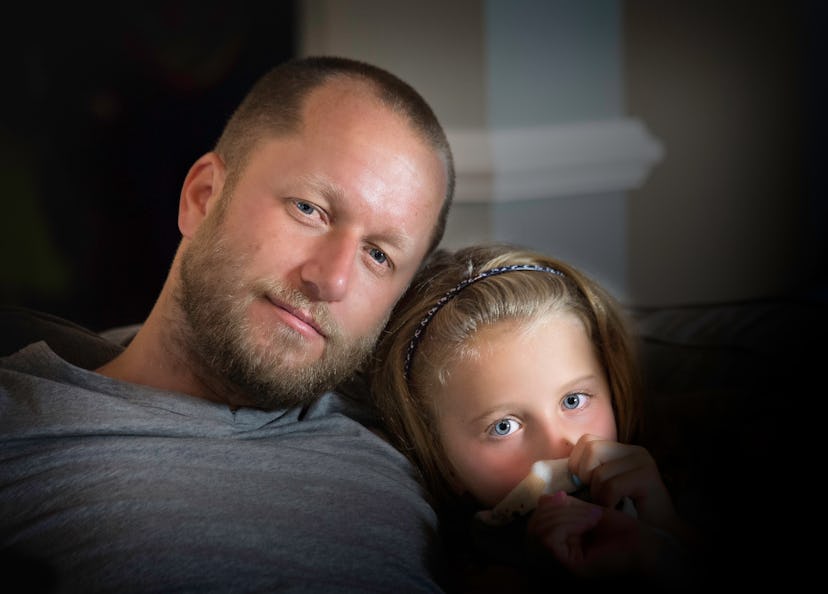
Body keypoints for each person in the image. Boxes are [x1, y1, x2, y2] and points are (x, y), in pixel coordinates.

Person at [0, 55, 456, 593]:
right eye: (310, 209)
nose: (331, 281)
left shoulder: (424, 432)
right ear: (203, 197)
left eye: (378, 256)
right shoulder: (22, 431)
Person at [368, 243, 699, 592]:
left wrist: (666, 535)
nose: (562, 447)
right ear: (444, 461)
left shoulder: (693, 486)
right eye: (503, 426)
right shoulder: (442, 565)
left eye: (573, 401)